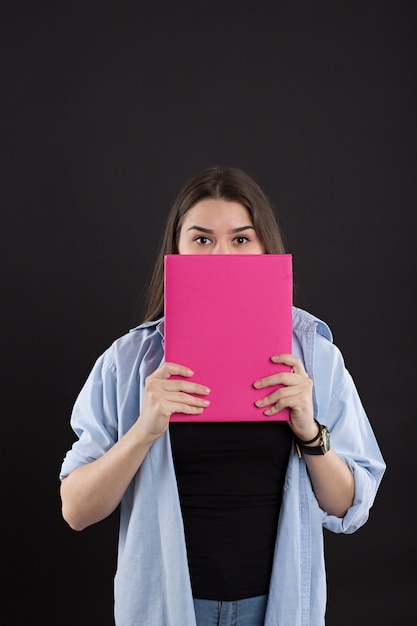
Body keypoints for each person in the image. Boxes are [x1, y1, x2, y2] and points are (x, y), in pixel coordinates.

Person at [59, 165, 386, 626]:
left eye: (240, 238)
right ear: (175, 249)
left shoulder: (315, 357)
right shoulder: (129, 361)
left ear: (265, 247)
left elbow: (347, 506)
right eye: (202, 239)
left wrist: (309, 431)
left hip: (276, 607)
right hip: (166, 607)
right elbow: (75, 509)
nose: (221, 255)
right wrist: (142, 432)